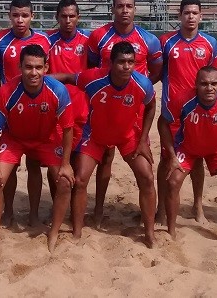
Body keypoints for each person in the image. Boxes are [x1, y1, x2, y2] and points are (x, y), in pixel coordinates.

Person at [53, 42, 157, 248]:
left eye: (131, 62)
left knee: (147, 177)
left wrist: (144, 138)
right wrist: (37, 80)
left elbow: (152, 106)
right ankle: (77, 232)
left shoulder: (143, 83)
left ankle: (150, 234)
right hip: (95, 136)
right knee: (81, 179)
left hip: (127, 136)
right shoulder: (92, 78)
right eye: (121, 62)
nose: (126, 67)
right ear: (111, 63)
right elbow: (66, 77)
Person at [0, 45, 74, 252]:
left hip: (46, 139)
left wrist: (66, 164)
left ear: (46, 68)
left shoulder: (58, 90)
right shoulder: (7, 91)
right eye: (28, 67)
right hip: (15, 138)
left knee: (64, 182)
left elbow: (68, 128)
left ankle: (53, 232)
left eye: (38, 67)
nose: (33, 72)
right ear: (19, 67)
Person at [86, 0, 162, 226]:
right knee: (105, 159)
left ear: (135, 9)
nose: (125, 10)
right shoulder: (98, 36)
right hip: (108, 107)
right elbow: (92, 69)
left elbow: (156, 72)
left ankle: (146, 216)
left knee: (143, 164)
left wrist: (138, 90)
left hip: (135, 112)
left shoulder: (149, 40)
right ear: (113, 9)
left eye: (129, 6)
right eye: (120, 6)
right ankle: (98, 210)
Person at [160, 66, 217, 244]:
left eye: (213, 84)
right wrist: (172, 156)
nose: (209, 88)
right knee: (172, 181)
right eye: (203, 84)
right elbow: (163, 123)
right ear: (195, 85)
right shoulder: (182, 99)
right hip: (187, 147)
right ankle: (171, 231)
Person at [156, 0, 217, 225]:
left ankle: (198, 205)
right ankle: (161, 208)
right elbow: (156, 73)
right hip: (172, 113)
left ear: (201, 16)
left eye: (195, 13)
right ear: (179, 16)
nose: (190, 16)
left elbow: (214, 79)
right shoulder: (166, 42)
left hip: (199, 112)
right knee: (166, 162)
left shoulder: (210, 43)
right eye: (186, 13)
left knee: (198, 160)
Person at [0, 0, 52, 226]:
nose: (20, 19)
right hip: (9, 110)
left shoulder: (44, 40)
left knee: (34, 164)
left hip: (37, 111)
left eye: (24, 15)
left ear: (32, 16)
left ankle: (34, 213)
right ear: (9, 15)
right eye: (15, 15)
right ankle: (8, 212)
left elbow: (46, 74)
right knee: (11, 165)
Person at [47, 0, 90, 197]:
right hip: (55, 108)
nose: (68, 20)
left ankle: (74, 205)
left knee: (76, 157)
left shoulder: (88, 42)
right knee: (54, 160)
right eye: (63, 16)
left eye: (72, 16)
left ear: (78, 17)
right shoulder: (47, 41)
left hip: (81, 107)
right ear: (57, 18)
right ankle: (57, 202)